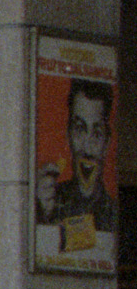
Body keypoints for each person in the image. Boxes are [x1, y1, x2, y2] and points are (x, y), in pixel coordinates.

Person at [37, 77, 113, 257]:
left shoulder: (114, 213)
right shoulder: (49, 202)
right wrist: (40, 215)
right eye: (80, 128)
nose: (87, 147)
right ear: (68, 135)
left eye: (97, 133)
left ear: (107, 143)